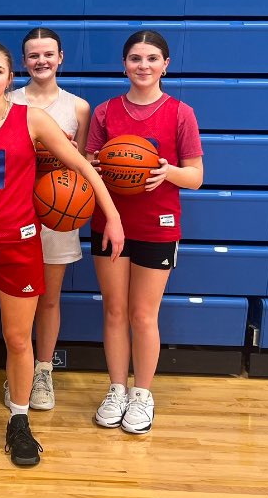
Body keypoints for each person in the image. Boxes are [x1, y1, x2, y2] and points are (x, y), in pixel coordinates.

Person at [0, 41, 124, 466]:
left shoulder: (31, 119)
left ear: (9, 77)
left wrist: (111, 215)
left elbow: (81, 165)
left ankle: (19, 422)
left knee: (20, 338)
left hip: (19, 244)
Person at [87, 30, 204, 435]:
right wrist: (99, 166)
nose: (143, 65)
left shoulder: (180, 113)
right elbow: (89, 166)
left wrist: (164, 171)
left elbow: (196, 177)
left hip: (158, 225)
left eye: (152, 58)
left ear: (165, 64)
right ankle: (117, 388)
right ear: (124, 64)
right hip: (109, 224)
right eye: (135, 58)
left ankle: (142, 394)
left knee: (143, 314)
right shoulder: (104, 113)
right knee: (115, 310)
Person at [4, 27, 91, 411]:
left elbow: (84, 166)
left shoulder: (78, 107)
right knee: (13, 302)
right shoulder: (8, 100)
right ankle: (15, 375)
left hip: (60, 210)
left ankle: (42, 373)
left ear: (61, 58)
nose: (41, 61)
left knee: (49, 300)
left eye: (48, 54)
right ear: (23, 61)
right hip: (14, 211)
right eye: (33, 55)